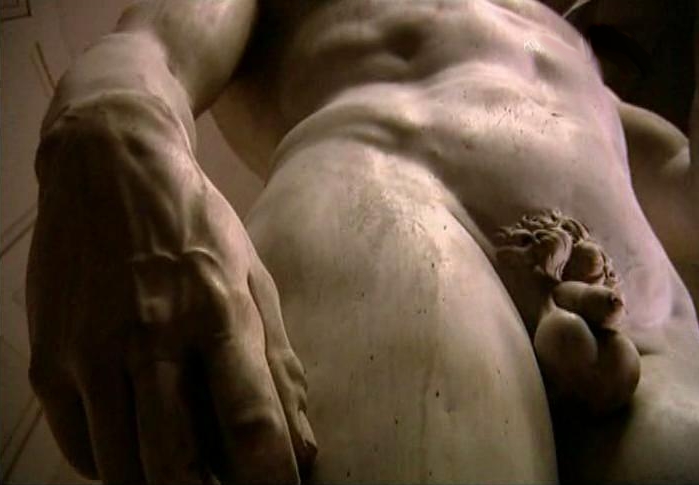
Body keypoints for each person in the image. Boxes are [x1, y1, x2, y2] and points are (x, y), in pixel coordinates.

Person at [26, 0, 699, 483]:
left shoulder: (567, 46)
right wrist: (112, 123)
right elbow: (151, 50)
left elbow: (681, 191)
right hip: (386, 197)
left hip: (629, 287)